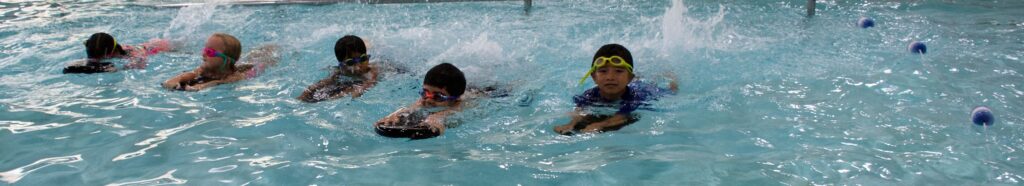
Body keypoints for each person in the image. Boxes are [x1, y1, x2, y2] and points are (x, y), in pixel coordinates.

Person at [553, 44, 678, 135]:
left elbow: (620, 118)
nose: (610, 77)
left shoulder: (635, 97)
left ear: (629, 78)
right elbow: (579, 111)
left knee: (671, 92)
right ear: (594, 77)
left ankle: (671, 77)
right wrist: (570, 124)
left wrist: (599, 125)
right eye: (603, 71)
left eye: (618, 71)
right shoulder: (589, 94)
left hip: (644, 89)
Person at [375, 63, 473, 135]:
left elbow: (454, 110)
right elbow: (412, 107)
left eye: (438, 96)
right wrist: (394, 115)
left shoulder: (462, 104)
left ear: (455, 99)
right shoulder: (425, 100)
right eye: (425, 93)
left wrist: (437, 118)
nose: (429, 100)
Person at [162, 33, 278, 91]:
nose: (203, 54)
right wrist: (176, 79)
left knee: (263, 62)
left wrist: (202, 86)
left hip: (252, 70)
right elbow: (192, 73)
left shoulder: (235, 76)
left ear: (226, 59)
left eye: (210, 52)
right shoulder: (205, 68)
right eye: (205, 49)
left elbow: (218, 82)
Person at [297, 35, 379, 102]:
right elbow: (326, 82)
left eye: (363, 59)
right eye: (351, 62)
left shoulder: (372, 70)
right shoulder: (339, 71)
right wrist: (307, 92)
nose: (358, 66)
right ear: (342, 65)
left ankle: (367, 42)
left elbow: (370, 82)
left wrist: (359, 90)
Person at [63, 32, 172, 74]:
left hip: (158, 47)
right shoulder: (101, 51)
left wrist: (121, 69)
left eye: (98, 58)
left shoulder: (132, 54)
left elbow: (141, 66)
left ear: (109, 55)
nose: (95, 61)